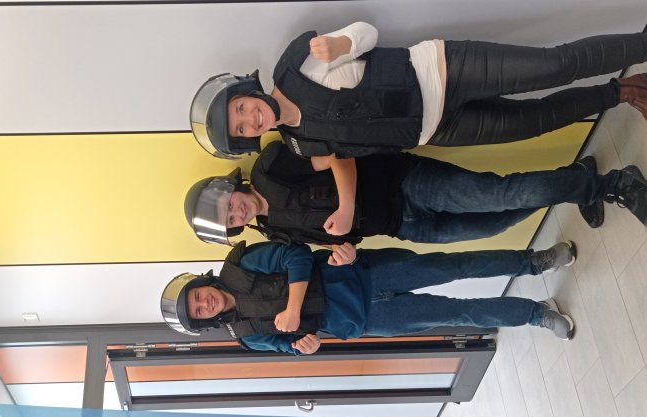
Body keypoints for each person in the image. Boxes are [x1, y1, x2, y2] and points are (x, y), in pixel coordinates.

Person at [190, 22, 647, 228]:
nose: (251, 119)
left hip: (444, 70)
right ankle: (624, 92)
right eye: (243, 129)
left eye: (241, 109)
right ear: (248, 141)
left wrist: (343, 41)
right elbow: (346, 158)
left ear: (244, 91)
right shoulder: (298, 143)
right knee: (538, 121)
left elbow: (368, 34)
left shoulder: (297, 66)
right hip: (439, 130)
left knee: (556, 65)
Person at [185, 141, 647, 250]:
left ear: (229, 189)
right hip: (404, 227)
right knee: (498, 221)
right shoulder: (273, 231)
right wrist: (344, 250)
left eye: (227, 206)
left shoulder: (269, 166)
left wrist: (346, 208)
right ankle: (577, 181)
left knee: (500, 193)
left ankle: (613, 183)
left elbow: (341, 157)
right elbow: (336, 236)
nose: (235, 213)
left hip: (405, 183)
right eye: (229, 221)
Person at [160, 240, 577, 355]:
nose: (204, 304)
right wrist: (305, 346)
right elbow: (289, 345)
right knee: (461, 315)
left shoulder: (240, 264)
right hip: (366, 320)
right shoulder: (247, 335)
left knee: (456, 266)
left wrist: (292, 307)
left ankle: (535, 262)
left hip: (363, 275)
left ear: (200, 284)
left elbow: (296, 255)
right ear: (205, 321)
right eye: (199, 312)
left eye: (197, 297)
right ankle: (536, 315)